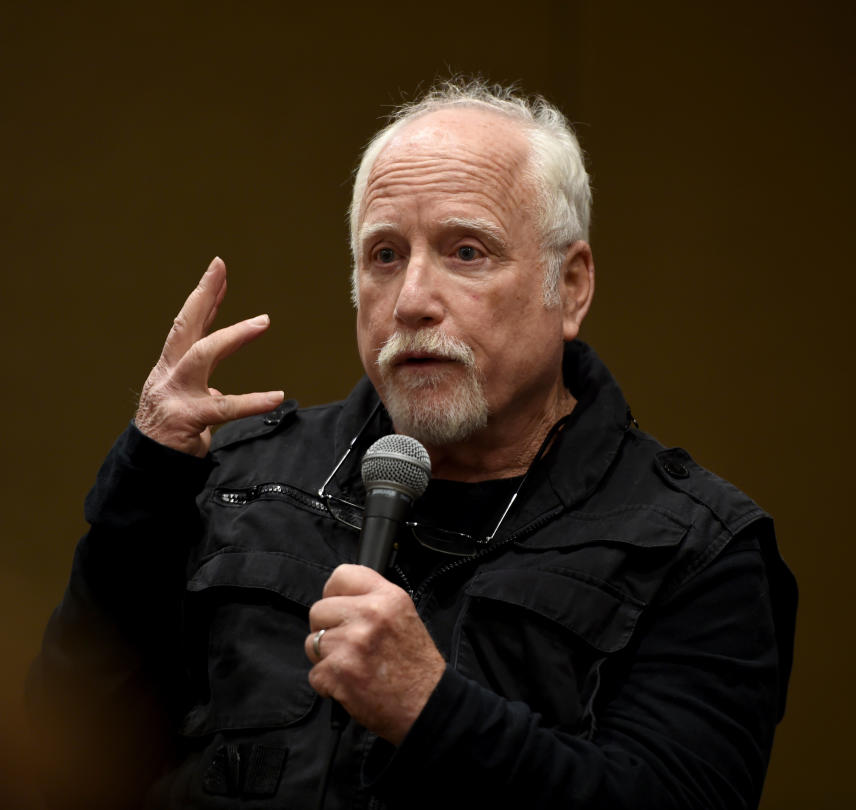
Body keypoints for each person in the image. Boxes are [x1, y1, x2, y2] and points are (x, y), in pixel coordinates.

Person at [28, 80, 797, 809]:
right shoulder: (236, 482)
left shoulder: (698, 550)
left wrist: (433, 711)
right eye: (385, 256)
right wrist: (149, 475)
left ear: (571, 285)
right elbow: (66, 748)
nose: (412, 302)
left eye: (467, 252)